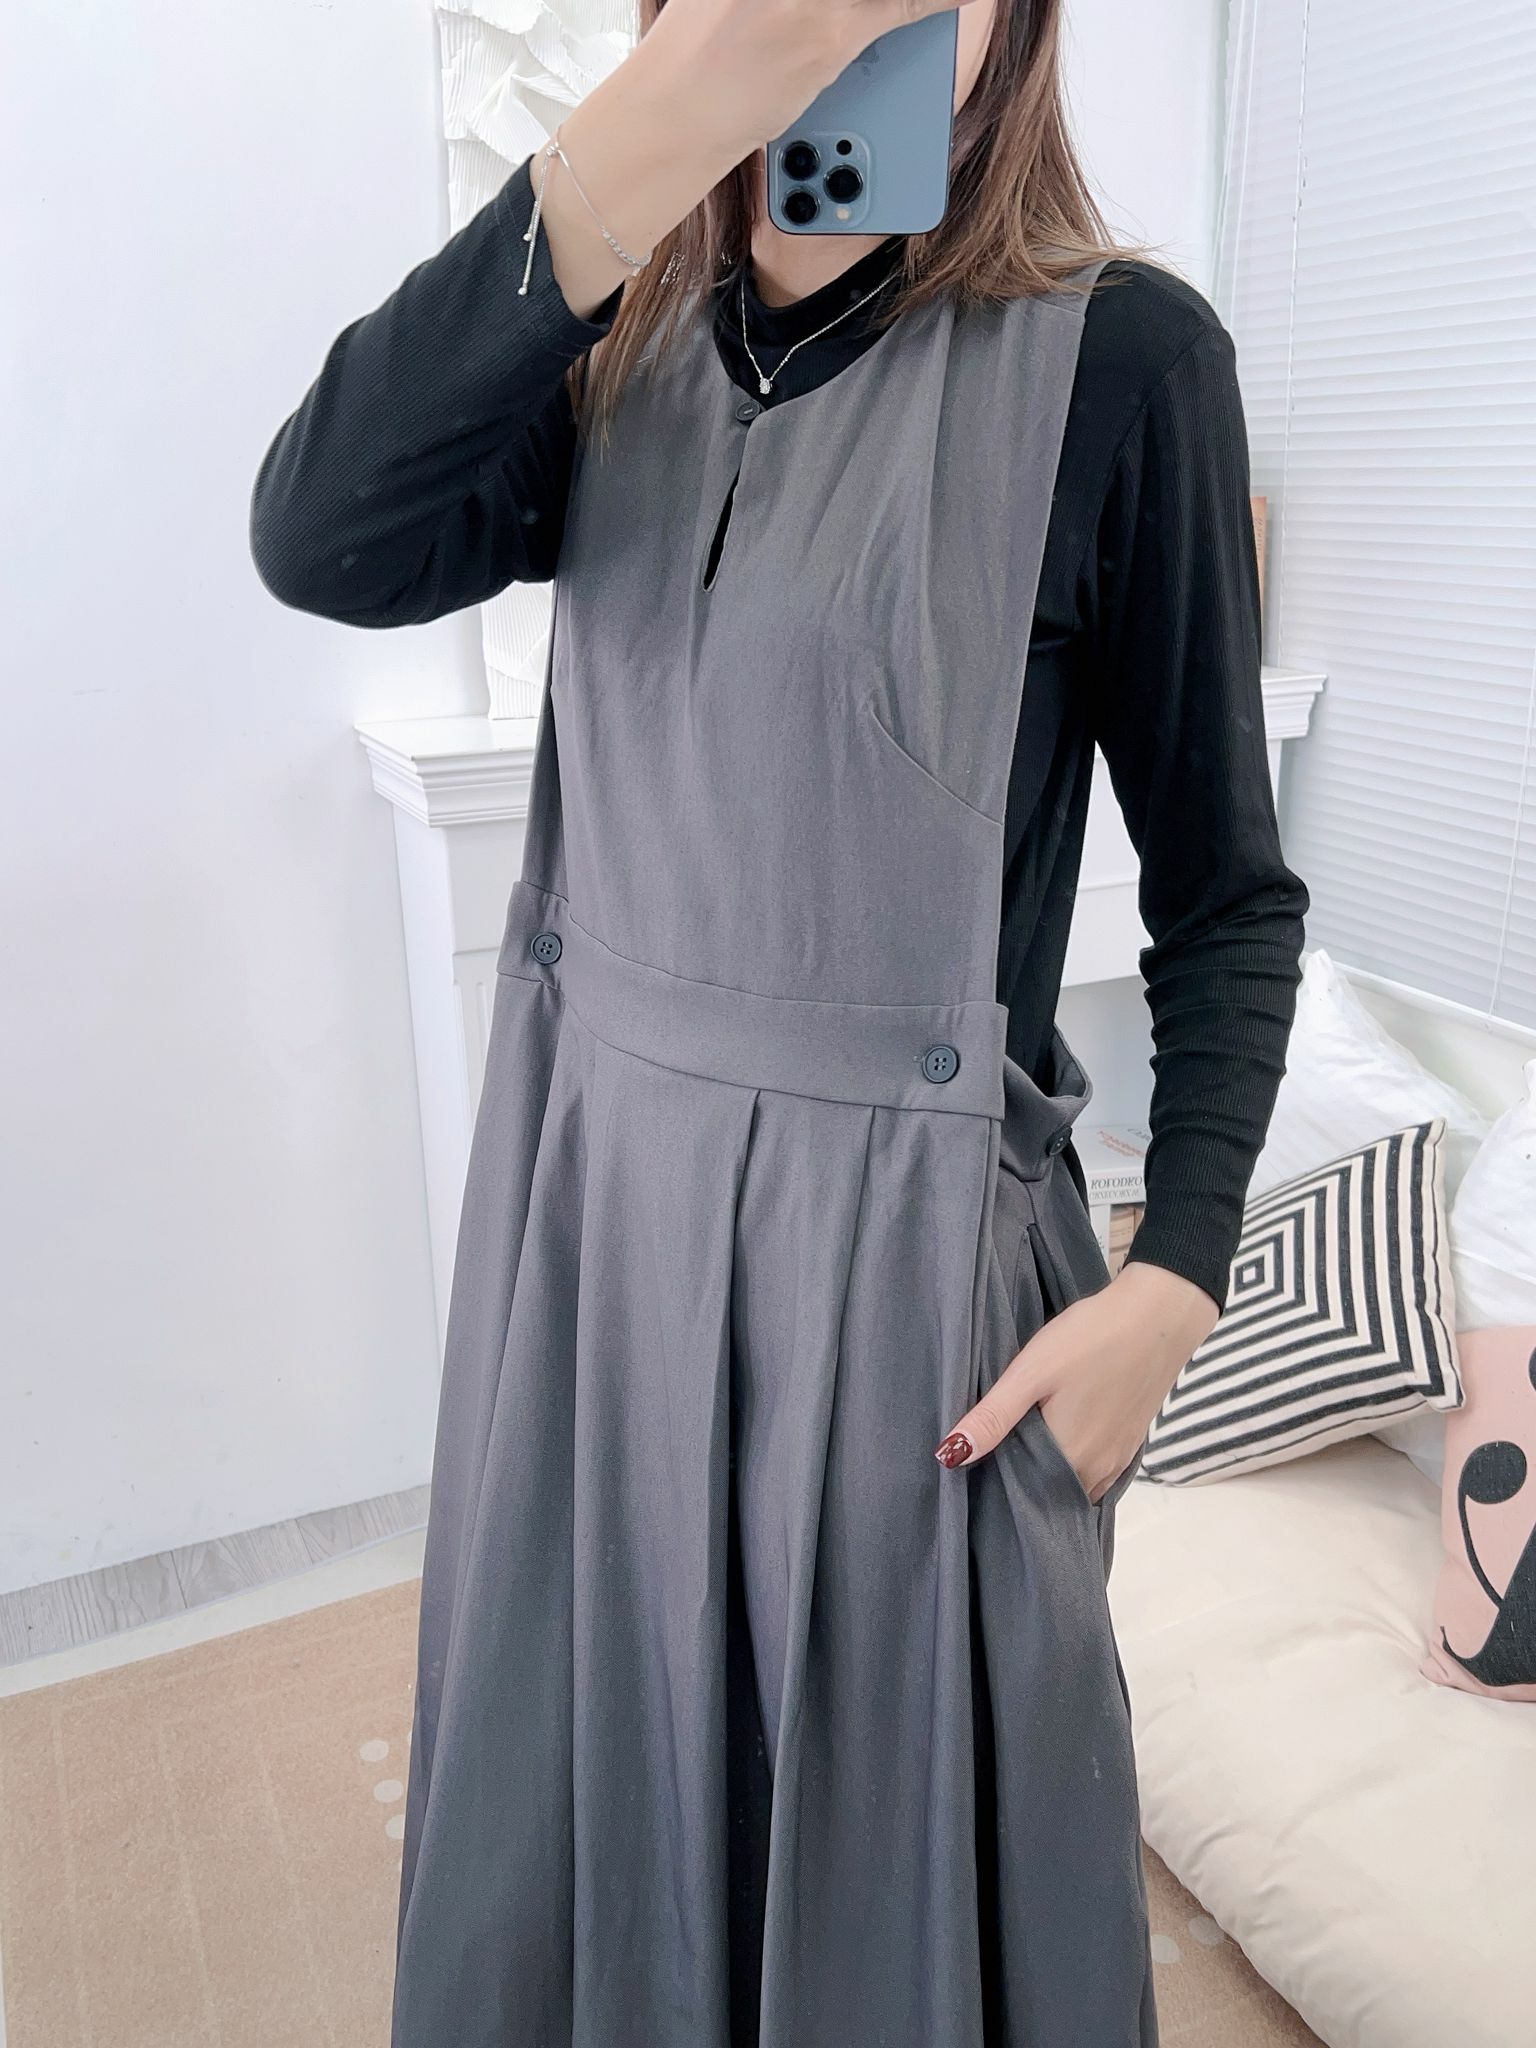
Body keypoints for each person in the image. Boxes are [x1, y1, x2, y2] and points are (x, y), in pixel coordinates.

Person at [249, 1, 1309, 2040]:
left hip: (903, 1302)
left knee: (889, 1901)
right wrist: (641, 147)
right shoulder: (608, 353)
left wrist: (1175, 1280)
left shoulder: (1124, 364)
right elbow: (323, 532)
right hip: (597, 1261)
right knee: (590, 1842)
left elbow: (1226, 890)